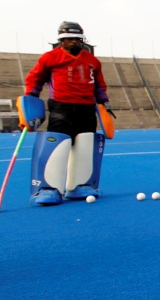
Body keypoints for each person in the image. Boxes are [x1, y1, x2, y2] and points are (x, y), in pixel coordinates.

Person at [21, 21, 115, 205]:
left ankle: (80, 185)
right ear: (61, 40)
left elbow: (99, 85)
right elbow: (35, 78)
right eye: (69, 39)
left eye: (77, 39)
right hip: (61, 106)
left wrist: (104, 102)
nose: (73, 42)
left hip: (87, 107)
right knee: (56, 143)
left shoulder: (92, 61)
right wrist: (31, 98)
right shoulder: (50, 58)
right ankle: (48, 188)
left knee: (85, 144)